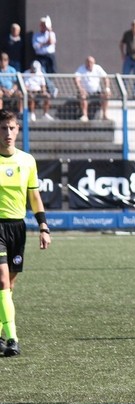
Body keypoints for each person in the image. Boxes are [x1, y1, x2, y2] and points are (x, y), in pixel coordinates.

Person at [0, 109, 52, 357]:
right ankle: (13, 338)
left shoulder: (27, 160)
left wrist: (43, 226)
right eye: (3, 128)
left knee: (8, 286)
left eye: (11, 128)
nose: (7, 133)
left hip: (17, 228)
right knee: (1, 281)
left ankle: (0, 333)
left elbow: (34, 196)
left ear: (18, 130)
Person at [74, 56, 112, 121]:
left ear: (94, 63)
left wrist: (107, 88)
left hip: (97, 92)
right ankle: (85, 116)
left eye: (91, 62)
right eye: (88, 62)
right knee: (82, 95)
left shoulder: (98, 68)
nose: (89, 64)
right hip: (85, 92)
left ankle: (104, 115)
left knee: (106, 94)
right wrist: (80, 88)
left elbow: (106, 78)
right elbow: (76, 79)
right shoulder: (81, 68)